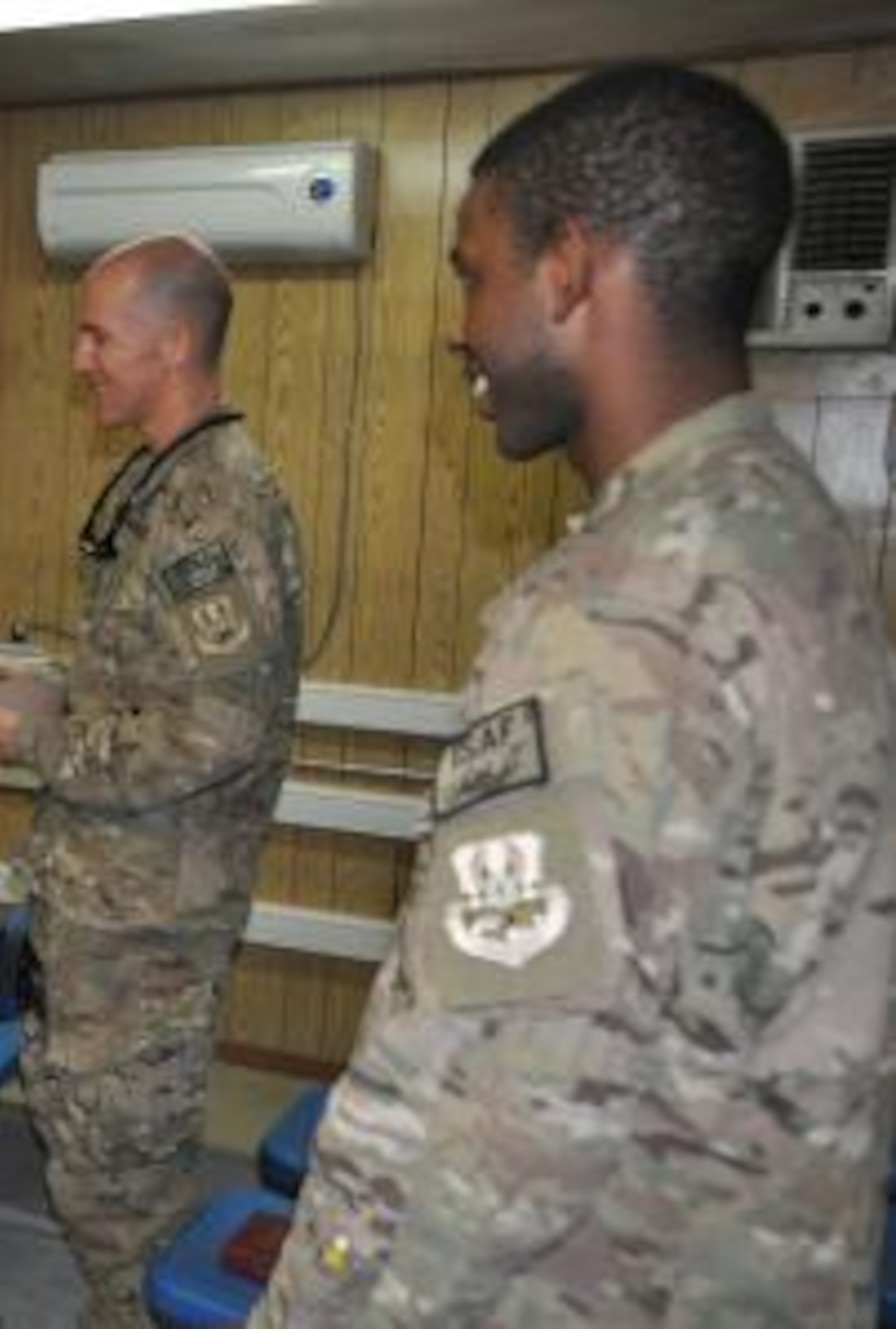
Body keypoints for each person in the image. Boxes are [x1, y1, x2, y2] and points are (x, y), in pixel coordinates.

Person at [252, 65, 896, 1327]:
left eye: (470, 272)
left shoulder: (615, 610)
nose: (459, 324)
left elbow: (502, 1112)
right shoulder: (795, 537)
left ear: (566, 269)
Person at [0, 234, 305, 1327]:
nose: (79, 358)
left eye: (98, 335)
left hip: (147, 917)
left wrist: (42, 744)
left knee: (122, 1182)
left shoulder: (217, 507)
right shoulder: (165, 484)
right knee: (94, 1167)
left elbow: (213, 733)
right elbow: (149, 685)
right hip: (106, 900)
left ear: (174, 342)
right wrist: (50, 691)